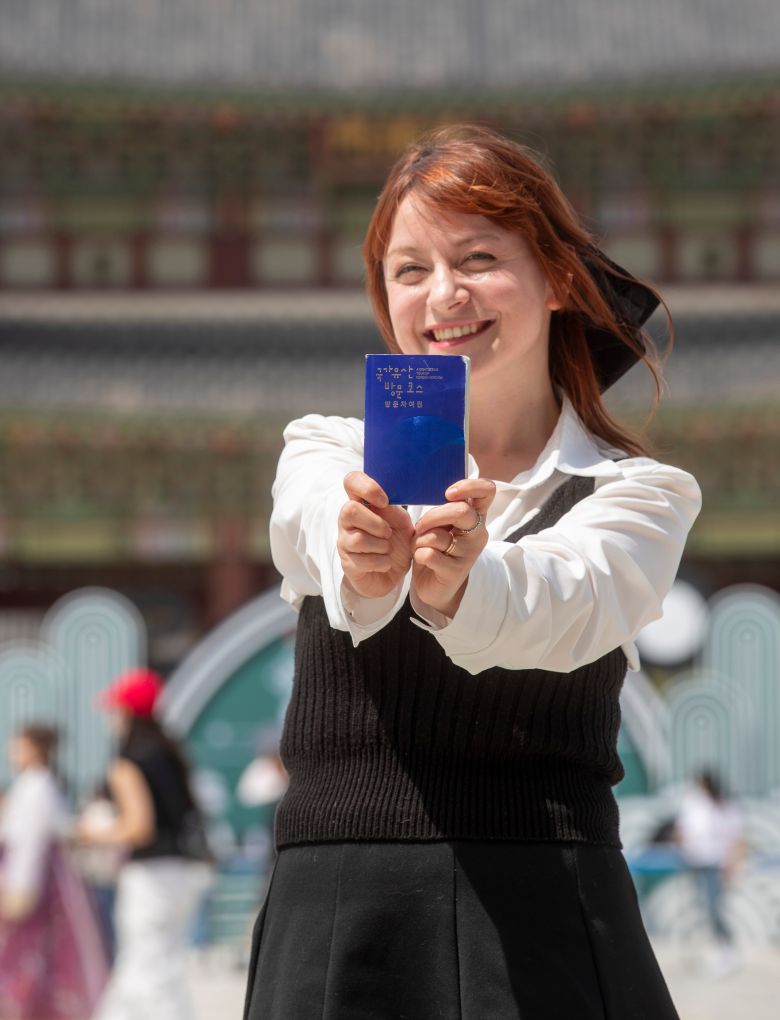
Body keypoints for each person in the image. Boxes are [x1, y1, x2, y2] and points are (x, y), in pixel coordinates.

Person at [243, 125, 702, 1020]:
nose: (443, 295)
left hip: (550, 929)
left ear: (559, 277)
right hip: (336, 928)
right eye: (409, 270)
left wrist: (463, 583)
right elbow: (309, 527)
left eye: (478, 258)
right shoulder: (326, 451)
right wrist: (363, 560)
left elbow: (567, 598)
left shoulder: (640, 496)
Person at [79, 667, 213, 1020]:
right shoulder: (170, 752)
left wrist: (91, 834)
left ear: (125, 711)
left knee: (148, 971)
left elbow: (139, 827)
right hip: (184, 871)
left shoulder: (127, 760)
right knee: (157, 967)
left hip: (152, 876)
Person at [0, 724, 108, 1019]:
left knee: (29, 959)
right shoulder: (38, 784)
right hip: (35, 881)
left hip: (32, 885)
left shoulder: (36, 786)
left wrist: (17, 889)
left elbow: (29, 843)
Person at [676, 770, 745, 976]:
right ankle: (708, 949)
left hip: (715, 862)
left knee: (715, 907)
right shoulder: (692, 803)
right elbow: (683, 829)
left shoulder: (723, 804)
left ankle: (726, 950)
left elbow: (735, 836)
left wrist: (732, 863)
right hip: (695, 861)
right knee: (699, 907)